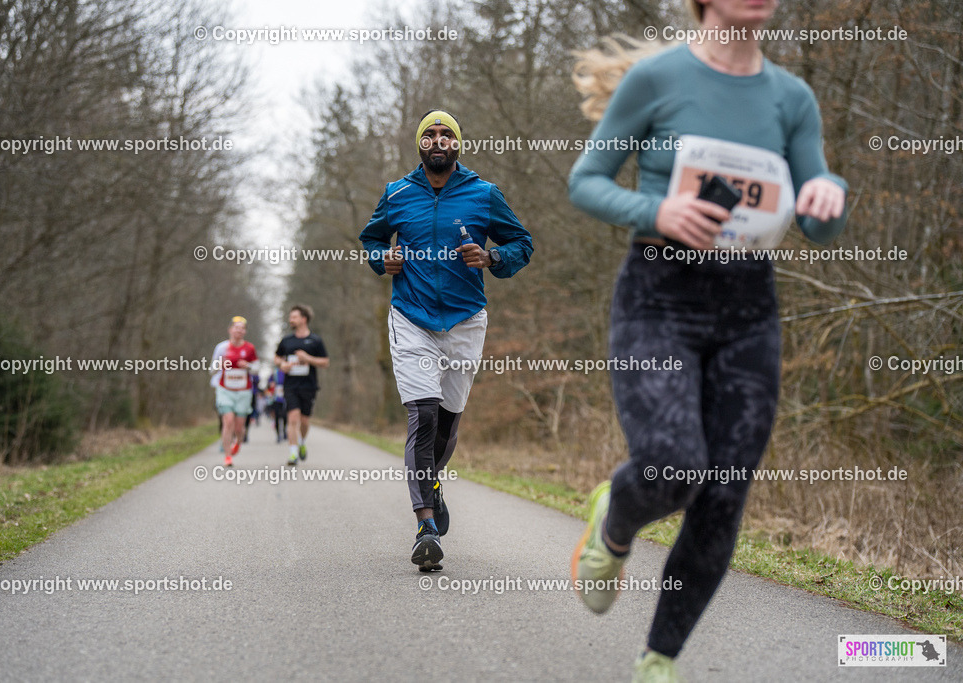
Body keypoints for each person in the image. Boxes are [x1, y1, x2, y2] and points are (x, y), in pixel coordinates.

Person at [567, 1, 848, 681]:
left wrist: (829, 195)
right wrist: (655, 209)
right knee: (673, 462)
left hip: (747, 307)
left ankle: (659, 659)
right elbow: (586, 181)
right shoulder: (658, 79)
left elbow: (819, 203)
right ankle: (614, 518)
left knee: (724, 491)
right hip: (659, 296)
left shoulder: (791, 97)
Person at [359, 109, 534, 571]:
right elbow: (371, 239)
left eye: (446, 134)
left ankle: (432, 482)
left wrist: (493, 256)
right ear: (420, 145)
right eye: (430, 134)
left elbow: (523, 243)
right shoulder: (397, 194)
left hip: (465, 321)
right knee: (423, 413)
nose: (438, 140)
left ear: (457, 144)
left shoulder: (484, 194)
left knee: (447, 421)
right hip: (411, 317)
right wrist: (384, 260)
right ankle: (425, 527)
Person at [274, 305, 329, 466]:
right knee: (292, 418)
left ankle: (302, 442)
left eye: (294, 317)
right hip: (290, 385)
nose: (291, 319)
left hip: (309, 386)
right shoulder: (286, 340)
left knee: (304, 421)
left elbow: (325, 362)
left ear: (303, 319)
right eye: (291, 317)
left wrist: (308, 358)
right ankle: (292, 454)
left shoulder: (315, 340)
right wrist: (282, 364)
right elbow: (277, 358)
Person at [213, 316, 258, 466]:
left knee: (239, 427)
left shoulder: (250, 348)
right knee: (228, 421)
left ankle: (238, 441)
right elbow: (211, 370)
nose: (238, 331)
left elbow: (257, 369)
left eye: (241, 328)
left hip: (243, 391)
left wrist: (248, 366)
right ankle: (227, 456)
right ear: (230, 329)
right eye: (236, 328)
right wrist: (220, 365)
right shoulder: (222, 348)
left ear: (244, 331)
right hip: (225, 389)